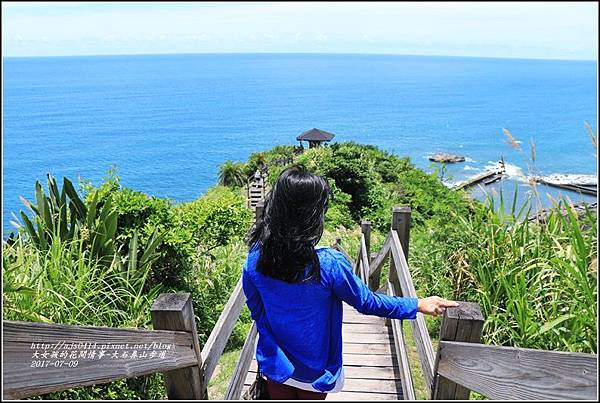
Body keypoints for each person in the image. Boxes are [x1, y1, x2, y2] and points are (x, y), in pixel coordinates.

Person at [243, 167, 458, 400]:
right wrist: (417, 304)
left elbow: (257, 310)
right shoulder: (328, 265)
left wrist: (268, 337)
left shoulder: (255, 259)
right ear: (313, 216)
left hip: (276, 365)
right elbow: (367, 302)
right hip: (315, 372)